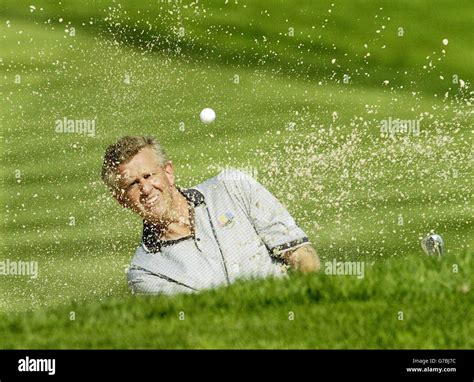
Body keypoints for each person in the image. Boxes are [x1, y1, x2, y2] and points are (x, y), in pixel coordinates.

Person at [101, 136, 320, 295]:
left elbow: (299, 253)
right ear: (121, 199)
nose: (146, 189)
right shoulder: (146, 273)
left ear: (168, 172)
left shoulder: (233, 186)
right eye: (132, 184)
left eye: (149, 175)